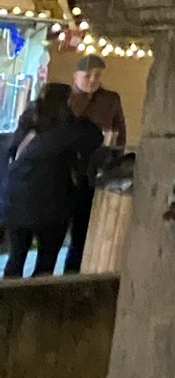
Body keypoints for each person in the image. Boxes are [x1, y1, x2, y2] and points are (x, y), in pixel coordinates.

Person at [2, 83, 101, 279]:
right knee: (45, 263)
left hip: (15, 202)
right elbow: (95, 137)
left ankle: (8, 302)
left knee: (15, 259)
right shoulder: (67, 130)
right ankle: (37, 304)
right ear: (65, 103)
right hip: (51, 207)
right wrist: (80, 115)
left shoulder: (28, 122)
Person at [63, 54, 125, 275]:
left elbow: (120, 134)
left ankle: (73, 272)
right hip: (66, 172)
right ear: (76, 76)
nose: (92, 80)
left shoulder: (110, 99)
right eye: (87, 75)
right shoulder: (66, 99)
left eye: (97, 75)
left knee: (82, 230)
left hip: (94, 171)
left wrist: (113, 157)